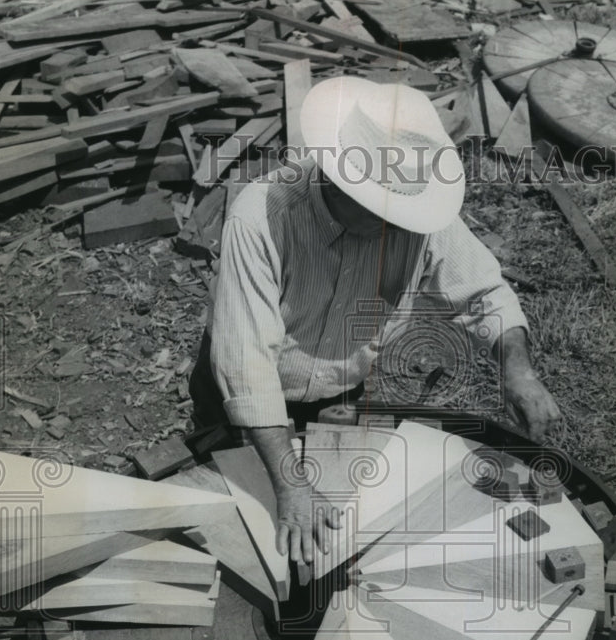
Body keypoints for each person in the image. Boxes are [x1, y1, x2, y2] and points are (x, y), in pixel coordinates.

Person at [189, 76, 561, 567]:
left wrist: (519, 371)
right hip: (247, 393)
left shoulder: (413, 211)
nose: (400, 230)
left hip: (338, 387)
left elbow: (485, 292)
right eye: (385, 215)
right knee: (240, 532)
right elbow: (248, 368)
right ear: (339, 183)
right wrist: (291, 484)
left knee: (332, 539)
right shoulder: (261, 216)